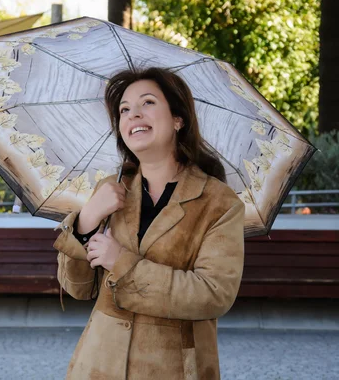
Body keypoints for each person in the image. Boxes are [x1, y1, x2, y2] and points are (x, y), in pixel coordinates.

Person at [53, 67, 245, 380]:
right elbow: (78, 288)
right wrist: (86, 221)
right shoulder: (111, 188)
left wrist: (122, 262)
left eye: (148, 103)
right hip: (98, 365)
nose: (133, 115)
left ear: (178, 119)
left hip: (174, 369)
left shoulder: (218, 202)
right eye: (124, 110)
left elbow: (213, 294)